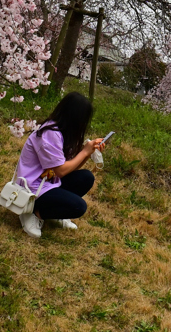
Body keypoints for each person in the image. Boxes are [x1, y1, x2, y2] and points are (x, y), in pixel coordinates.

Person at [14, 91, 105, 238]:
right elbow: (61, 172)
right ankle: (33, 213)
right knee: (78, 207)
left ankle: (52, 211)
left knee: (86, 177)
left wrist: (87, 153)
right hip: (33, 188)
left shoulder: (63, 132)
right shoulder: (50, 133)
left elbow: (69, 167)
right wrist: (84, 151)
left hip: (49, 182)